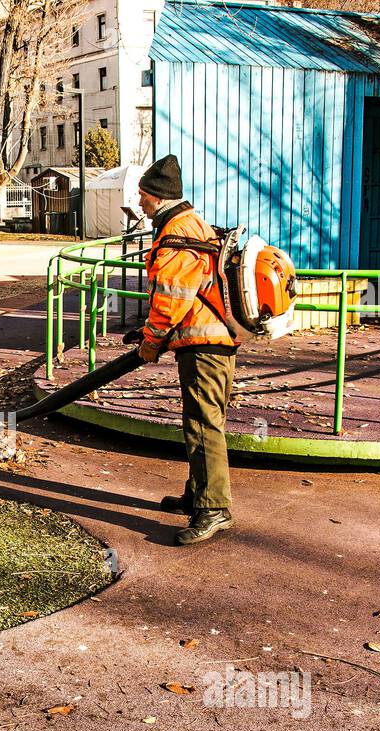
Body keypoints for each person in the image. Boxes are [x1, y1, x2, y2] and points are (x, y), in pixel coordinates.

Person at [133, 154, 238, 546]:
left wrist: (151, 341)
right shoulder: (192, 223)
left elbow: (173, 295)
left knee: (203, 423)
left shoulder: (178, 232)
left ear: (154, 196)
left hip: (204, 342)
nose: (139, 202)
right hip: (212, 339)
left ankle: (214, 510)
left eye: (142, 195)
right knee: (201, 418)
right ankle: (198, 495)